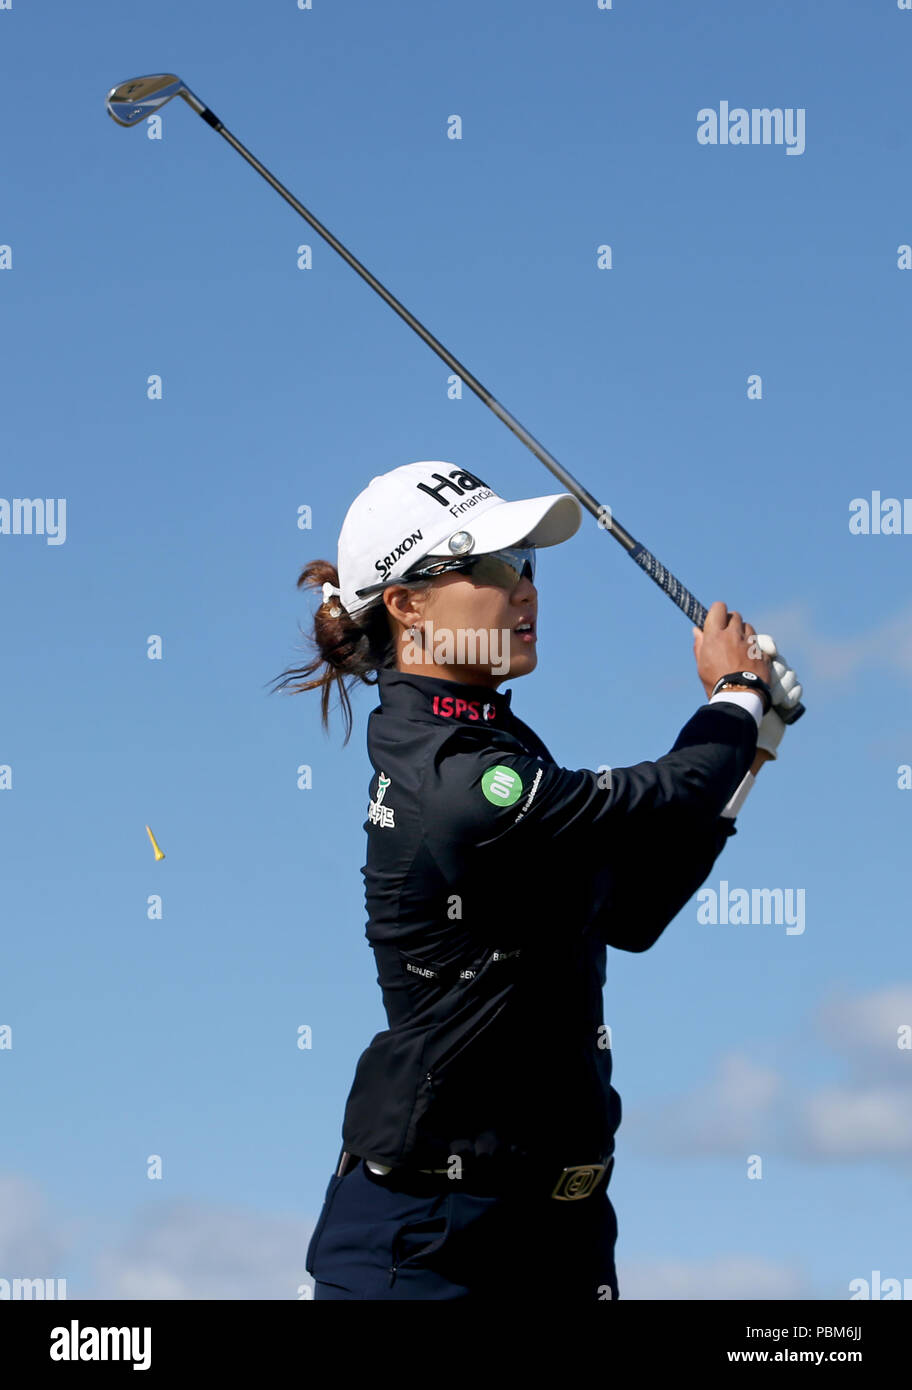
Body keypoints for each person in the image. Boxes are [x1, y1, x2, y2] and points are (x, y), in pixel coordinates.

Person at [269, 459, 803, 1302]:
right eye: (487, 567)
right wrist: (735, 698)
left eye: (526, 565)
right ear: (406, 605)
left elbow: (630, 911)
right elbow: (660, 793)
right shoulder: (448, 774)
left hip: (561, 1238)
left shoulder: (501, 746)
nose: (522, 591)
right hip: (429, 1244)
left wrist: (755, 747)